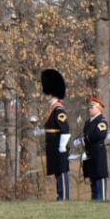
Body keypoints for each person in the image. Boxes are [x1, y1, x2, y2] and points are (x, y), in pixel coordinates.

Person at [41, 69, 70, 201]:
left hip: (58, 143)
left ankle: (64, 196)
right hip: (53, 143)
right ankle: (60, 195)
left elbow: (64, 128)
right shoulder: (52, 109)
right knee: (57, 171)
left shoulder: (58, 109)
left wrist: (63, 145)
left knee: (62, 171)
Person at [81, 96, 110, 200]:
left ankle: (102, 199)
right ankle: (94, 199)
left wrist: (86, 138)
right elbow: (85, 134)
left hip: (98, 152)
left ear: (98, 108)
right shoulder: (88, 122)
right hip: (90, 152)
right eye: (89, 107)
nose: (90, 109)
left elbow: (99, 135)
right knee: (92, 176)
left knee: (99, 176)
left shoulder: (101, 121)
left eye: (92, 107)